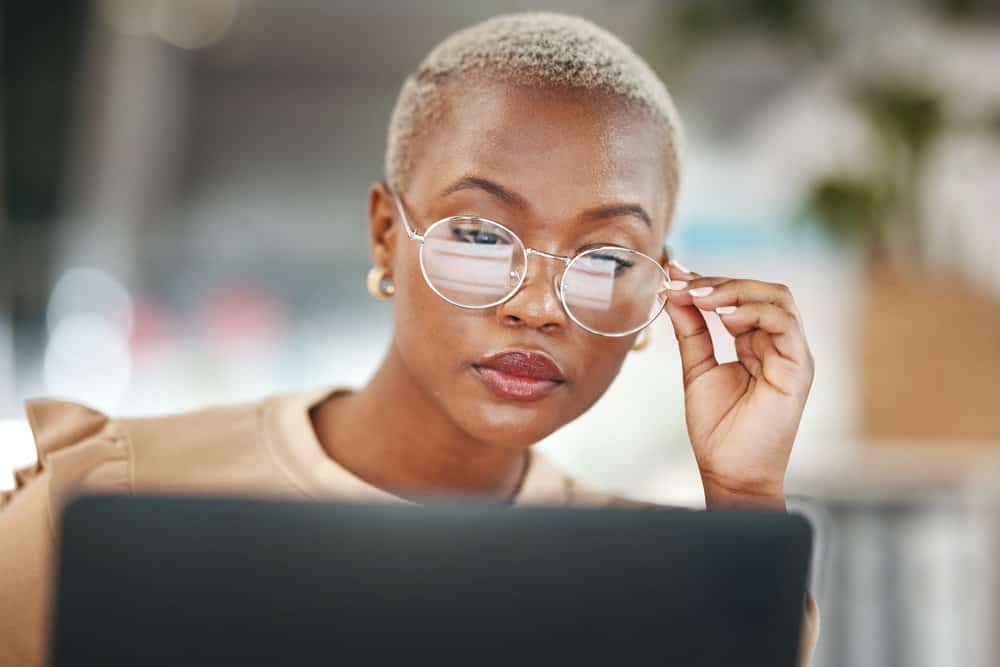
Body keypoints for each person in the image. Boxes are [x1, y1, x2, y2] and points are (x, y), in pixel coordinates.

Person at [0, 12, 819, 666]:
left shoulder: (673, 579)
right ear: (388, 234)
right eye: (481, 236)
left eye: (605, 256)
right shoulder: (113, 496)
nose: (537, 306)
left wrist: (744, 500)